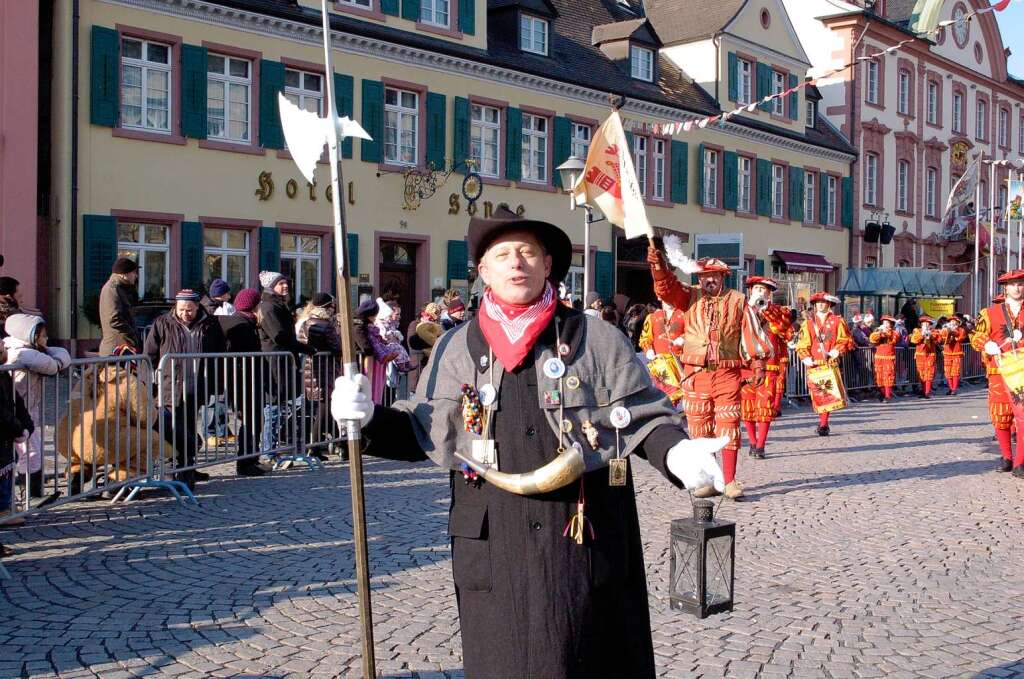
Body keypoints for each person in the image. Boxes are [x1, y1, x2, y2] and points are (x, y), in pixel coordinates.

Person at [330, 206, 727, 679]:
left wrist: (676, 451)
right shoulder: (455, 347)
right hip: (496, 540)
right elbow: (424, 432)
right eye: (502, 254)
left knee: (592, 657)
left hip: (582, 535)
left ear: (547, 265)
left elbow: (642, 416)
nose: (516, 262)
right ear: (483, 271)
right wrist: (367, 418)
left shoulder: (593, 337)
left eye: (527, 252)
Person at [647, 246, 773, 500]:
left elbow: (751, 333)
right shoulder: (688, 296)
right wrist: (658, 266)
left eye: (714, 275)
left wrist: (758, 363)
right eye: (705, 276)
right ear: (699, 278)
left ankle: (729, 481)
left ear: (723, 277)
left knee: (728, 426)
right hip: (696, 374)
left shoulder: (738, 301)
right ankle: (708, 479)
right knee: (699, 428)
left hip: (727, 373)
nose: (709, 280)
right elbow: (665, 289)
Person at [59, 345, 175, 493]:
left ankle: (76, 474)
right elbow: (145, 418)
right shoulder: (127, 380)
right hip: (105, 441)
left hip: (71, 440)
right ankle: (118, 481)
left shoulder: (87, 377)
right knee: (151, 439)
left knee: (94, 446)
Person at [143, 289, 227, 489]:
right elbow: (149, 355)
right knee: (171, 430)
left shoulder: (210, 324)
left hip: (197, 386)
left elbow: (219, 352)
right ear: (175, 307)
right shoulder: (163, 323)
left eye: (189, 309)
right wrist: (148, 384)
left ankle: (188, 469)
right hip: (169, 387)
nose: (185, 313)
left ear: (198, 307)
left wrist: (216, 383)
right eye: (181, 309)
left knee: (189, 428)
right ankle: (171, 470)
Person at [3, 314, 72, 499]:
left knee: (26, 451)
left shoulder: (13, 345)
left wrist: (47, 349)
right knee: (32, 452)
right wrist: (53, 356)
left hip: (23, 408)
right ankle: (30, 496)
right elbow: (53, 365)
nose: (46, 340)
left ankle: (26, 495)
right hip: (20, 411)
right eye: (43, 336)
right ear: (31, 336)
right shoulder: (25, 353)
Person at [970, 271, 1024, 476]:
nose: (1017, 288)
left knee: (1023, 416)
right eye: (1012, 285)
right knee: (1001, 415)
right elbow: (976, 336)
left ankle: (1020, 462)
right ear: (1005, 288)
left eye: (1020, 284)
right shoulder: (990, 313)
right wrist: (987, 344)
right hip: (999, 370)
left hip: (1023, 371)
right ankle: (1007, 456)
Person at [740, 277, 793, 459]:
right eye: (757, 289)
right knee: (747, 406)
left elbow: (784, 330)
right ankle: (752, 442)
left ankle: (761, 445)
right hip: (745, 365)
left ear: (770, 294)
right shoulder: (741, 310)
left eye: (764, 290)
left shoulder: (779, 311)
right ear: (750, 291)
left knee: (764, 406)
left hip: (769, 365)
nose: (760, 293)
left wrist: (767, 310)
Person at [217, 288, 267, 477]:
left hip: (240, 380)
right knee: (252, 420)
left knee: (251, 419)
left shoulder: (237, 321)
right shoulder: (243, 325)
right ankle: (246, 461)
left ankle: (250, 459)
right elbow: (248, 356)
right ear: (254, 306)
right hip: (245, 380)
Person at [795, 292, 854, 436]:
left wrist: (836, 351)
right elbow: (803, 343)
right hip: (814, 363)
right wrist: (805, 357)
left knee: (827, 393)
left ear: (829, 304)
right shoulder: (808, 322)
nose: (820, 305)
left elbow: (845, 339)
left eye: (823, 302)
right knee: (817, 394)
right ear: (814, 305)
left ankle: (824, 424)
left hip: (829, 362)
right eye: (818, 303)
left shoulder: (837, 321)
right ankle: (823, 422)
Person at [0, 341, 33, 529]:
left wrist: (25, 426)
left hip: (7, 434)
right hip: (4, 431)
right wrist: (18, 428)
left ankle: (5, 506)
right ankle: (2, 509)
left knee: (8, 464)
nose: (4, 346)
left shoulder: (4, 373)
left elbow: (16, 403)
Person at [637, 299, 686, 409]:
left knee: (683, 394)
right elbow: (645, 337)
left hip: (680, 362)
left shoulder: (684, 315)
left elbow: (693, 333)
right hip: (660, 363)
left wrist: (683, 338)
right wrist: (648, 349)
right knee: (666, 392)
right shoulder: (652, 317)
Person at [98, 258, 141, 356]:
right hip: (117, 349)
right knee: (117, 372)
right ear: (124, 274)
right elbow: (114, 319)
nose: (136, 276)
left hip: (121, 347)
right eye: (134, 272)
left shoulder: (120, 288)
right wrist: (131, 333)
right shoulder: (112, 289)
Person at [869, 315, 899, 402]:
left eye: (887, 323)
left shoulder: (894, 332)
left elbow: (894, 339)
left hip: (889, 357)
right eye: (884, 322)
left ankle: (887, 395)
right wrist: (879, 332)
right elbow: (872, 339)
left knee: (888, 376)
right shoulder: (878, 331)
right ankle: (882, 394)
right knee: (879, 376)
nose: (885, 324)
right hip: (879, 357)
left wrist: (885, 332)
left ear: (891, 325)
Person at [909, 315, 939, 398]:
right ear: (921, 324)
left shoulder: (934, 331)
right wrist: (922, 334)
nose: (926, 325)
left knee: (929, 373)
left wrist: (930, 335)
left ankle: (927, 392)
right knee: (921, 373)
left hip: (930, 354)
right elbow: (914, 340)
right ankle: (923, 390)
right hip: (920, 355)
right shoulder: (917, 331)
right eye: (924, 323)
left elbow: (938, 339)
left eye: (927, 323)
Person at [940, 315, 968, 395]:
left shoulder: (961, 329)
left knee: (955, 371)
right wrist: (945, 331)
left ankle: (954, 389)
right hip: (947, 352)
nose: (953, 323)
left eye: (955, 322)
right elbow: (942, 337)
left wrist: (952, 332)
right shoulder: (945, 329)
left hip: (956, 352)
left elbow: (960, 337)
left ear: (958, 323)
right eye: (951, 321)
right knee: (948, 372)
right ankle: (951, 388)